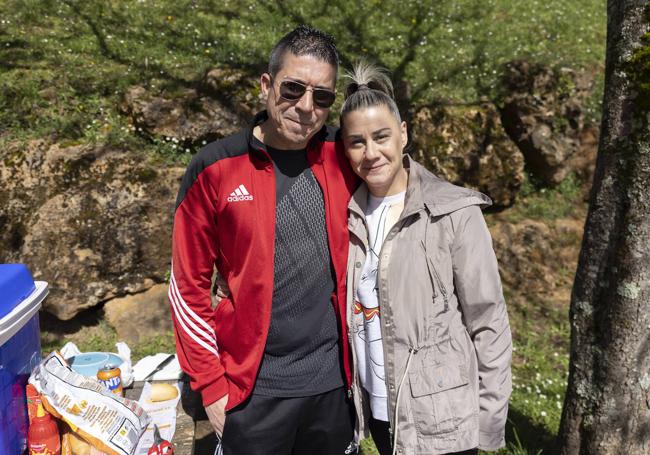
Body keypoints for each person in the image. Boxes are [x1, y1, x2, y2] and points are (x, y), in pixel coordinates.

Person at [169, 26, 358, 455]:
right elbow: (186, 287)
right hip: (252, 389)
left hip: (335, 387)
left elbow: (399, 173)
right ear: (266, 85)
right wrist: (212, 388)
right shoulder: (215, 167)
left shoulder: (344, 154)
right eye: (293, 88)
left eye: (323, 97)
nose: (306, 107)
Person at [339, 61, 512, 455]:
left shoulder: (451, 211)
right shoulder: (348, 215)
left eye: (381, 136)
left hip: (445, 419)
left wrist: (489, 418)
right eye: (357, 142)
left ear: (403, 134)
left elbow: (488, 319)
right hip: (381, 414)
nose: (371, 153)